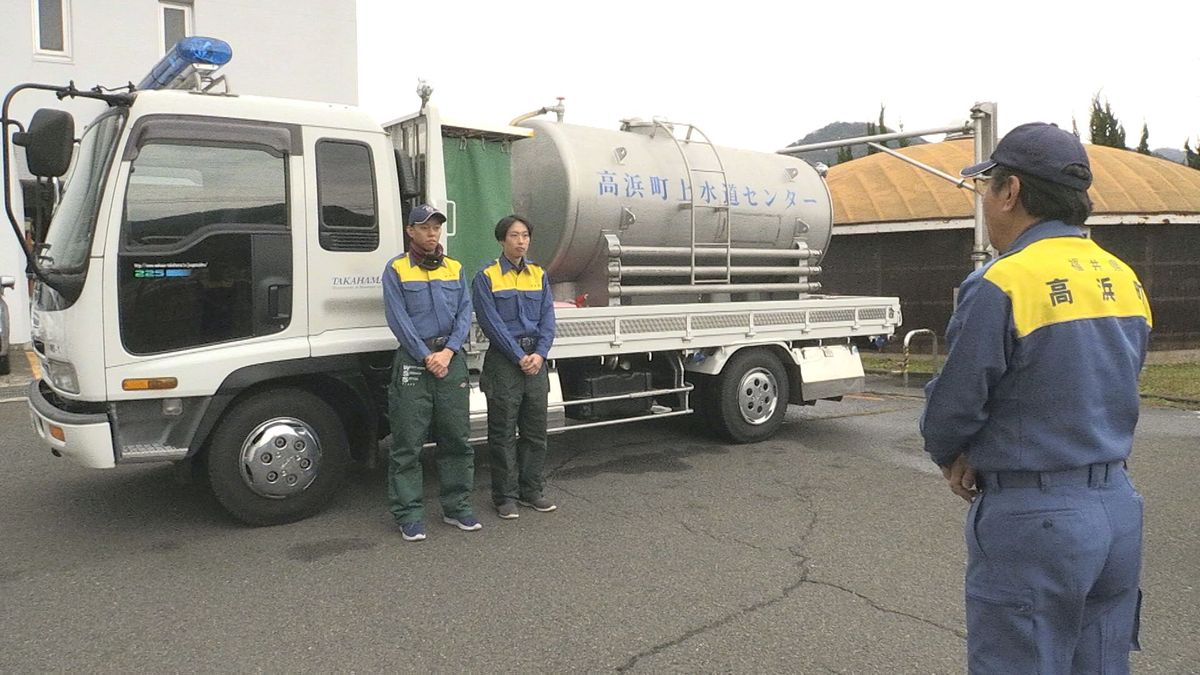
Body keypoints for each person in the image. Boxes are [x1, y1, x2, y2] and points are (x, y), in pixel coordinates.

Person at [921, 123, 1152, 673]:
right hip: (1118, 509)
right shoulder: (1123, 277)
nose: (985, 203)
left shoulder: (1004, 280)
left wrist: (952, 452)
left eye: (987, 188)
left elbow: (956, 403)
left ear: (1011, 191)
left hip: (1036, 522)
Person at [382, 204, 480, 541]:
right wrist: (427, 356)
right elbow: (398, 319)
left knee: (456, 437)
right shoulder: (396, 269)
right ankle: (409, 514)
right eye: (424, 227)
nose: (432, 232)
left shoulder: (454, 268)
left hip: (451, 358)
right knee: (408, 442)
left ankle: (458, 508)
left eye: (436, 227)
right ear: (411, 231)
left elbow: (465, 312)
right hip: (414, 359)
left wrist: (449, 351)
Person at [472, 215, 557, 519]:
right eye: (514, 235)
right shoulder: (486, 276)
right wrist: (517, 356)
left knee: (536, 432)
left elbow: (548, 319)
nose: (521, 241)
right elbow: (490, 323)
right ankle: (504, 496)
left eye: (525, 235)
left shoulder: (539, 275)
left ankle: (531, 491)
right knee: (503, 431)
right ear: (501, 240)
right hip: (504, 363)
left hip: (536, 361)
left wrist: (541, 353)